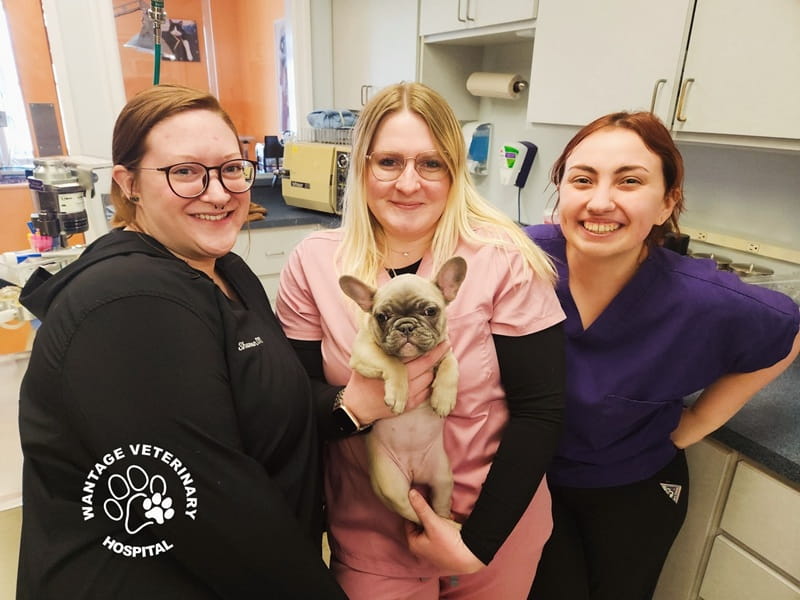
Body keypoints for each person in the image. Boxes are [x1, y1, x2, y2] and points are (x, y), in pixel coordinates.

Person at [16, 84, 352, 599]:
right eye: (186, 172)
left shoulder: (225, 272)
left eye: (231, 168)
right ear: (129, 184)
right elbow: (212, 507)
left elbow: (263, 400)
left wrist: (352, 406)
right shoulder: (129, 302)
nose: (218, 194)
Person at [276, 81, 567, 599]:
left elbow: (540, 410)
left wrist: (478, 543)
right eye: (389, 162)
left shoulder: (503, 258)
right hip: (371, 530)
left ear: (454, 170)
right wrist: (350, 408)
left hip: (492, 530)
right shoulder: (315, 262)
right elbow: (293, 403)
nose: (408, 183)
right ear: (362, 166)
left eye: (430, 163)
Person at [524, 111, 800, 600]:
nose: (600, 201)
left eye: (629, 181)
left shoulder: (702, 299)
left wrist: (696, 424)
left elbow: (787, 331)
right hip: (526, 481)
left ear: (667, 203)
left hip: (631, 489)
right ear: (561, 191)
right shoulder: (519, 260)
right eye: (582, 179)